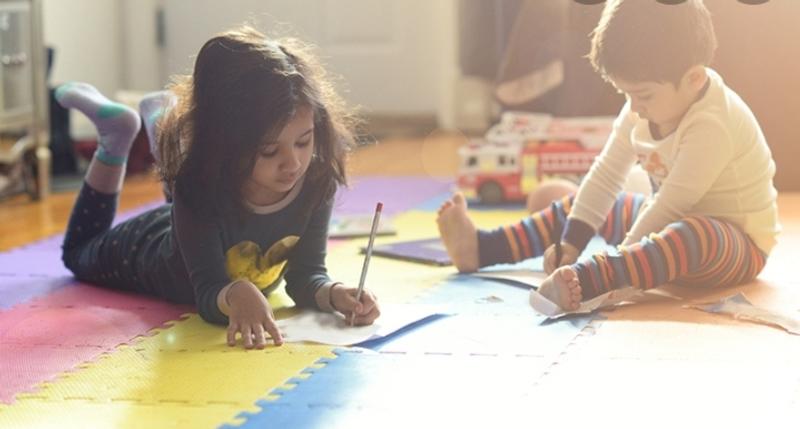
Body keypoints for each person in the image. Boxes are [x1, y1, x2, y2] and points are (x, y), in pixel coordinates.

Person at [437, 0, 779, 312]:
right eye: (626, 94)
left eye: (642, 95)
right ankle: (483, 248)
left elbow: (672, 204)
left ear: (693, 79)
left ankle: (600, 278)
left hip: (734, 245)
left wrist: (617, 261)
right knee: (587, 205)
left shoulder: (713, 123)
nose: (634, 106)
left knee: (693, 232)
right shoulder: (641, 107)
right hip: (661, 230)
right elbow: (604, 176)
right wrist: (571, 242)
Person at [58, 26, 380, 349]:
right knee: (78, 251)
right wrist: (235, 292)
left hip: (198, 210)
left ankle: (161, 123)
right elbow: (208, 292)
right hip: (147, 252)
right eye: (270, 151)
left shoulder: (316, 180)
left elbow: (305, 276)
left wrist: (335, 294)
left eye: (303, 141)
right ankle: (114, 138)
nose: (293, 163)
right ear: (229, 143)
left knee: (195, 182)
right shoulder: (198, 190)